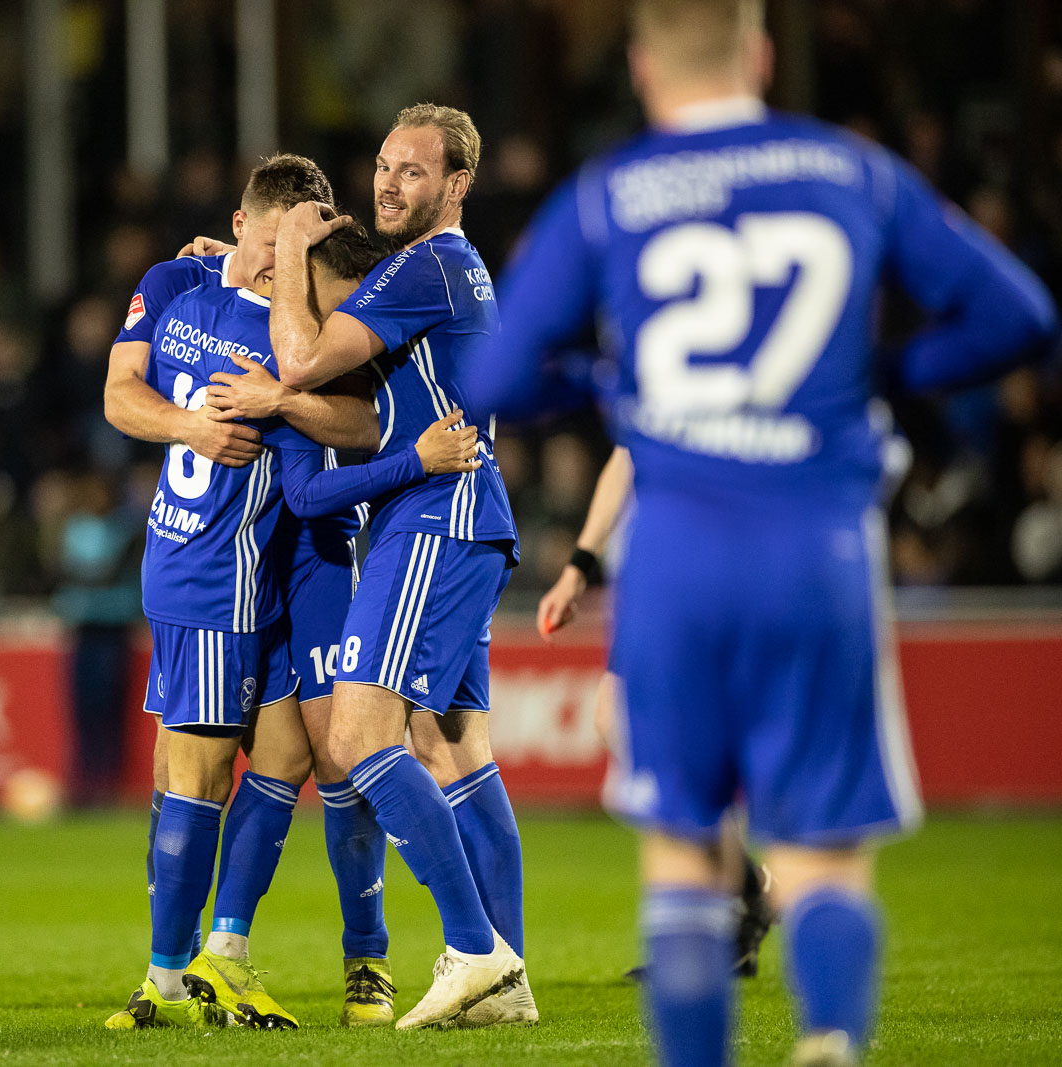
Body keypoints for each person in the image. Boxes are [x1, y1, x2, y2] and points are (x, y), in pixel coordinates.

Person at [463, 2, 1056, 1063]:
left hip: (676, 562)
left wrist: (616, 381)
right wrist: (877, 377)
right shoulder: (850, 170)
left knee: (685, 854)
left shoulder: (610, 195)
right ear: (764, 56)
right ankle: (828, 1035)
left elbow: (494, 376)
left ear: (641, 68)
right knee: (822, 855)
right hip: (816, 552)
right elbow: (1019, 313)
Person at [104, 154, 398, 1026]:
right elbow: (120, 395)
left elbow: (369, 419)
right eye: (273, 246)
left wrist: (283, 394)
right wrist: (195, 422)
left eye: (299, 250)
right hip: (218, 565)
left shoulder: (316, 308)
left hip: (302, 552)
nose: (284, 267)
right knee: (188, 770)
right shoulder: (174, 283)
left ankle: (320, 958)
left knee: (316, 752)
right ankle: (171, 971)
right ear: (240, 226)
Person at [267, 103, 533, 1030]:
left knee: (358, 736)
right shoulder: (449, 273)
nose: (388, 183)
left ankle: (475, 951)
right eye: (384, 165)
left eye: (413, 171)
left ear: (456, 187)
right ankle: (509, 974)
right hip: (466, 516)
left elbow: (301, 361)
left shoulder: (430, 264)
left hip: (435, 521)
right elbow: (375, 421)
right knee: (456, 749)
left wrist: (293, 253)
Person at [537, 446, 775, 981]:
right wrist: (581, 564)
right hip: (654, 569)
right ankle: (742, 897)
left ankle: (727, 916)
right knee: (618, 720)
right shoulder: (650, 379)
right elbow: (623, 455)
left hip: (715, 557)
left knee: (677, 740)